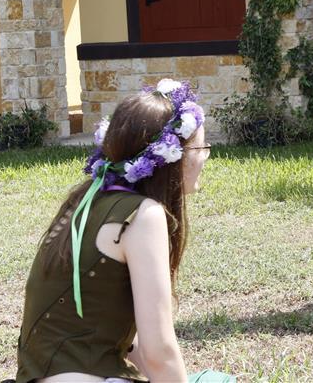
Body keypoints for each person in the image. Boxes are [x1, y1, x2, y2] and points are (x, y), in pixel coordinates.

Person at [14, 79, 217, 382]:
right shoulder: (143, 215)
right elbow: (158, 351)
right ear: (173, 156)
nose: (206, 156)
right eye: (201, 147)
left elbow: (117, 334)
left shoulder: (84, 200)